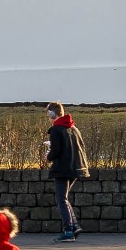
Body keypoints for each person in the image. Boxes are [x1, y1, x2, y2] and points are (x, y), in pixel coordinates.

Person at [41, 102, 90, 242]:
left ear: (52, 114)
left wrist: (48, 156)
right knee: (64, 198)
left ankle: (68, 230)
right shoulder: (74, 128)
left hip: (63, 169)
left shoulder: (56, 130)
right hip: (76, 168)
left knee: (61, 199)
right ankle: (74, 226)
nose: (48, 118)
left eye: (48, 115)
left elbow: (56, 151)